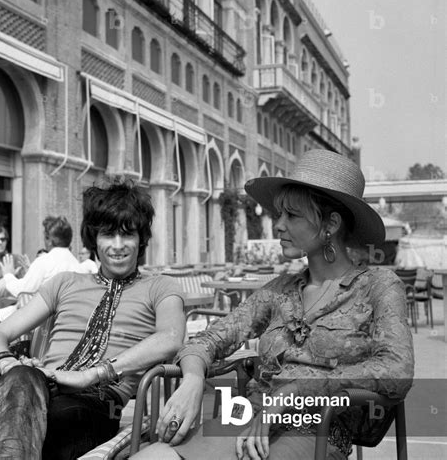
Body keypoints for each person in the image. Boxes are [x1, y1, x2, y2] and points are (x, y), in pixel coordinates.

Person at [132, 150, 414, 460]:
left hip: (316, 430)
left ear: (330, 224)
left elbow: (395, 370)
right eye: (278, 214)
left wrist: (293, 392)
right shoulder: (279, 289)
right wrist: (194, 378)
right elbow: (210, 339)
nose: (277, 225)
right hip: (243, 420)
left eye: (291, 215)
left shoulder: (379, 286)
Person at [0, 179, 186, 459]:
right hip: (35, 388)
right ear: (93, 240)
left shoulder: (161, 287)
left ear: (141, 239)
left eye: (128, 235)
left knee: (34, 420)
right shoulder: (65, 282)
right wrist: (11, 364)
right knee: (22, 383)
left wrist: (91, 375)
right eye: (108, 235)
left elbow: (170, 339)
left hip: (97, 402)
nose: (118, 246)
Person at [0, 216, 80, 305]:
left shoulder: (24, 260)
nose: (0, 243)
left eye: (3, 239)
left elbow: (23, 291)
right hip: (52, 310)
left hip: (37, 313)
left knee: (3, 286)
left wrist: (8, 275)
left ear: (49, 240)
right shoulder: (77, 264)